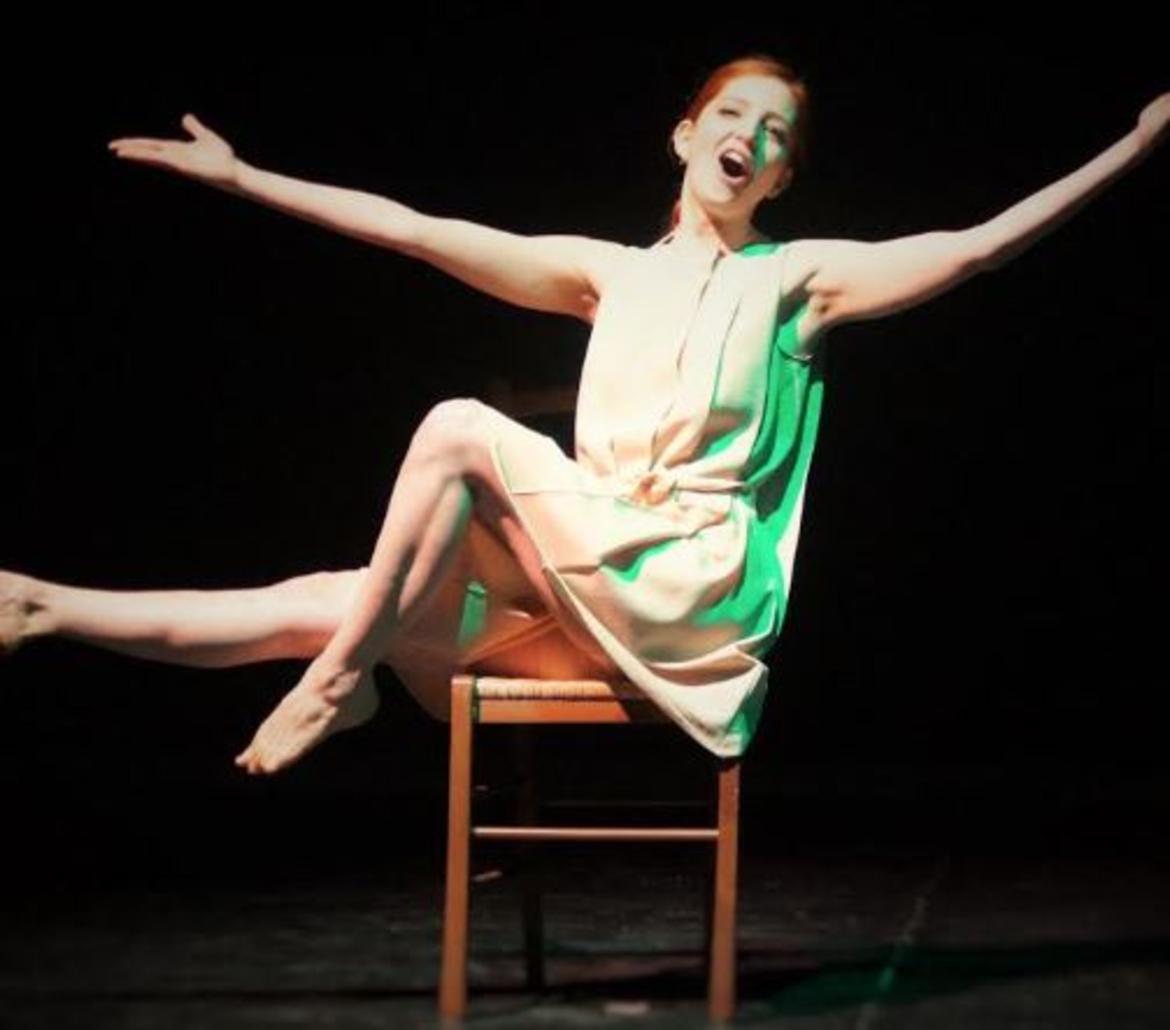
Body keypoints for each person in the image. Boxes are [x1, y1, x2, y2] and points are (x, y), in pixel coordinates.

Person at [1, 56, 1166, 774]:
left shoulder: (797, 282)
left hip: (689, 592)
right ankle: (44, 607)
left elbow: (974, 249)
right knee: (332, 597)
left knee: (456, 429)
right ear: (687, 134)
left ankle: (337, 684)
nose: (749, 136)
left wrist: (1134, 148)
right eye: (732, 114)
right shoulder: (608, 273)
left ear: (779, 176)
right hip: (583, 584)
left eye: (773, 134)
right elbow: (417, 231)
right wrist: (246, 178)